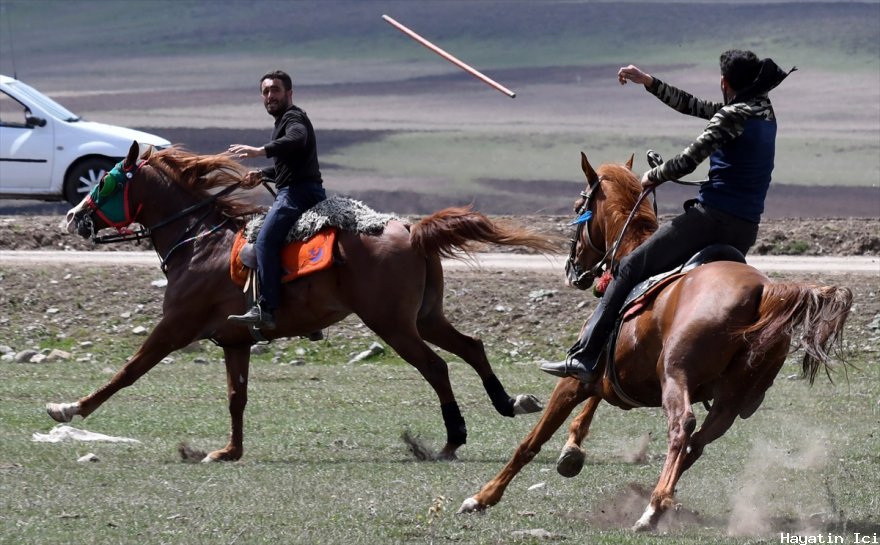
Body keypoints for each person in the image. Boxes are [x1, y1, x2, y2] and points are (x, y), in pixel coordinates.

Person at [541, 50, 795, 383]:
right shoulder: (764, 112)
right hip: (746, 229)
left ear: (724, 82)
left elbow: (690, 158)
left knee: (630, 266)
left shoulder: (730, 114)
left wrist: (653, 175)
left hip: (711, 220)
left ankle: (585, 357)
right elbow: (695, 106)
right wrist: (649, 82)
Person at [227, 70, 326, 330]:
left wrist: (261, 152)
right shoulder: (282, 121)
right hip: (304, 189)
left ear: (289, 93)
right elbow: (291, 164)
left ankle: (266, 308)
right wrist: (262, 174)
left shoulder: (293, 117)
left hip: (297, 194)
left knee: (265, 241)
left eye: (276, 90)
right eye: (266, 91)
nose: (270, 96)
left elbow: (297, 139)